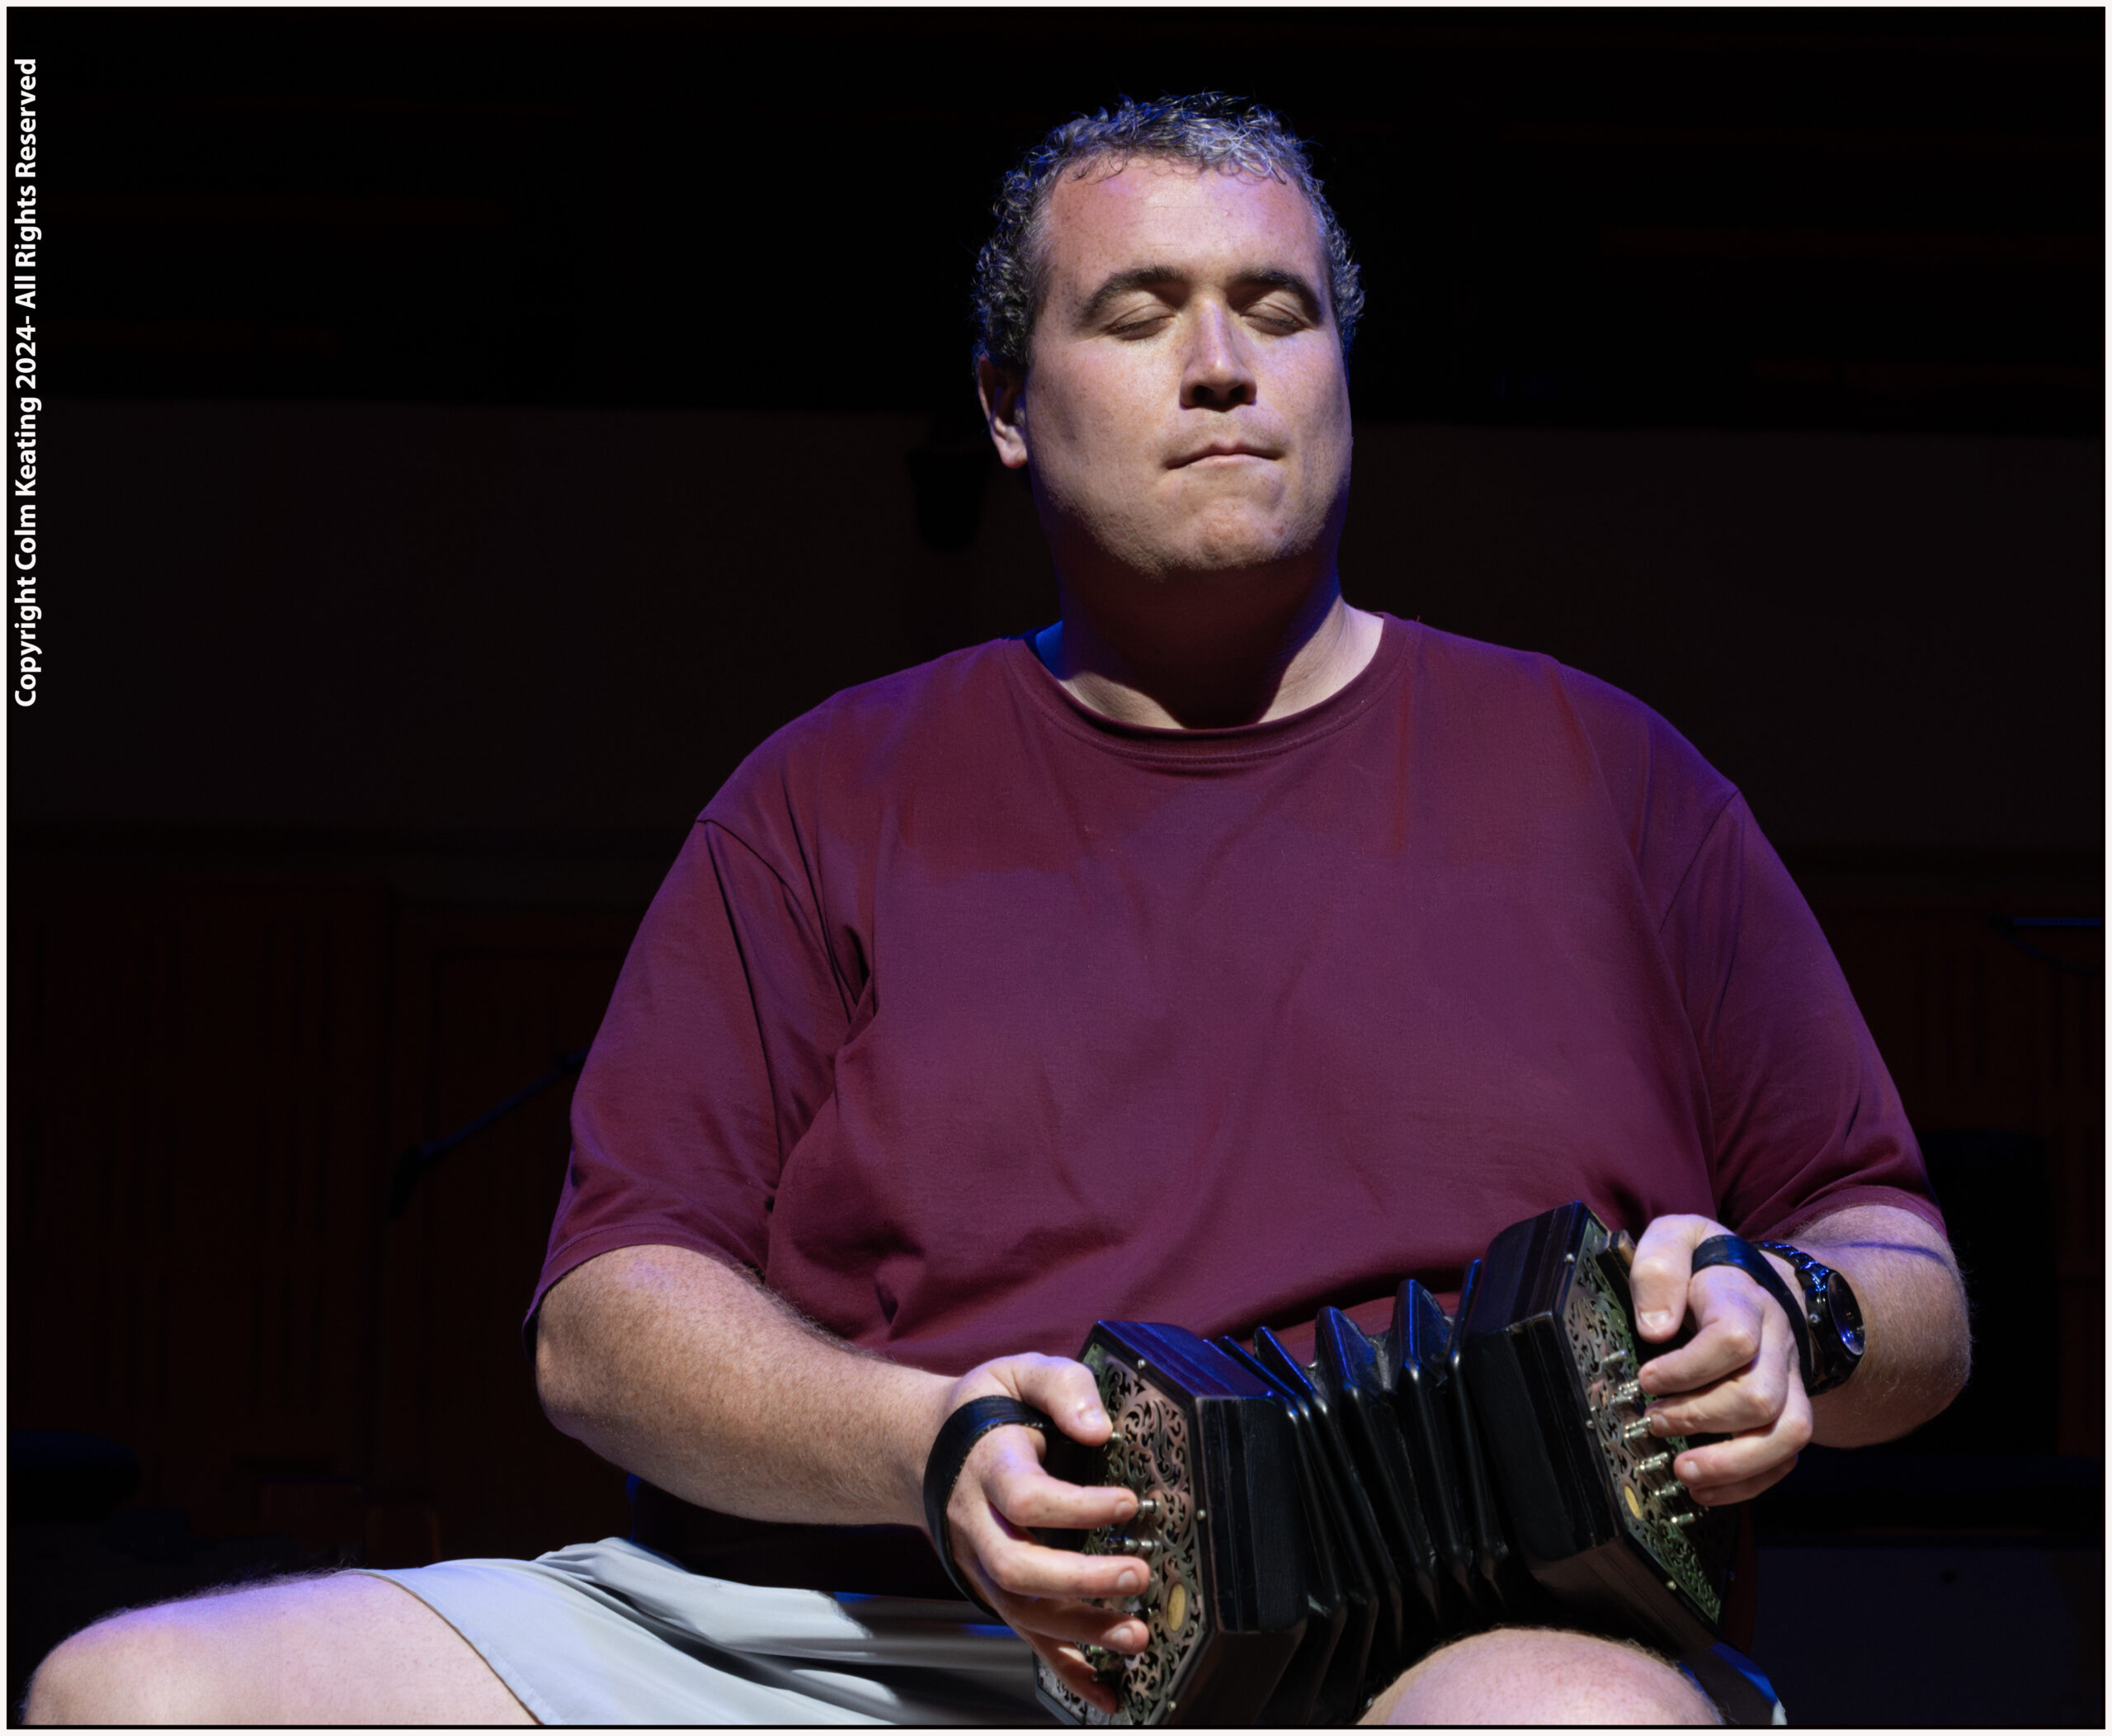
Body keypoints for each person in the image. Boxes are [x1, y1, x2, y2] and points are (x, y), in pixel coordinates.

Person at [26, 94, 1967, 1727]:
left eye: (1273, 309)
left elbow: (1907, 1275)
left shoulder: (1605, 774)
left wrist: (1788, 1309)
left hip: (1461, 1639)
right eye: (1141, 310)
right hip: (873, 1630)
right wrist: (923, 1445)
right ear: (1007, 406)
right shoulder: (825, 792)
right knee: (141, 1697)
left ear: (1339, 375)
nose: (1220, 362)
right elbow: (606, 1326)